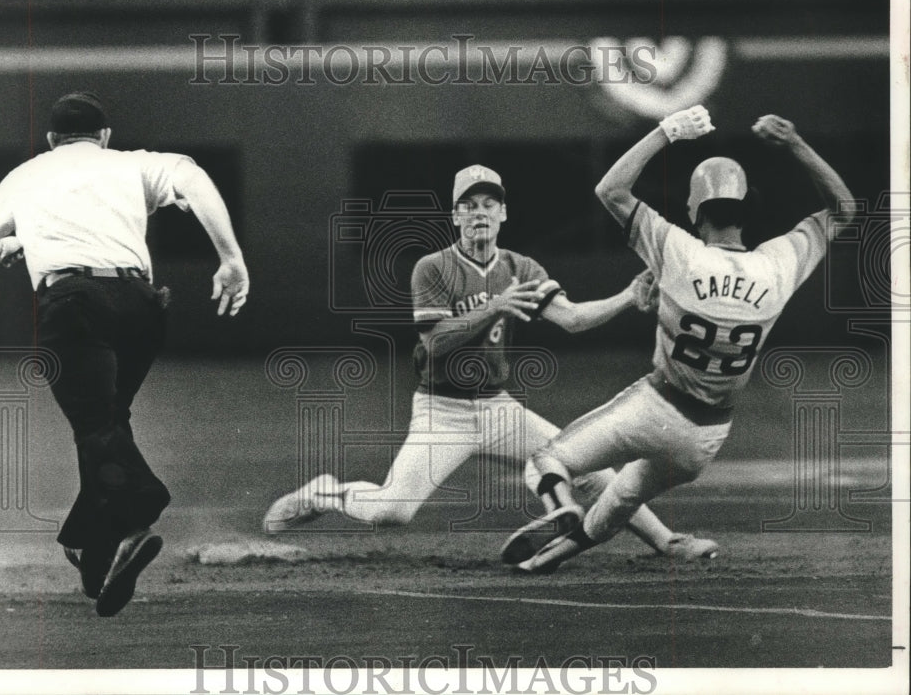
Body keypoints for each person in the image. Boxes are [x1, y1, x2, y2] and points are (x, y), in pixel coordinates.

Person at [264, 164, 718, 561]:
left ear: (503, 213)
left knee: (591, 471)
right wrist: (494, 307)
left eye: (489, 204)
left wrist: (627, 297)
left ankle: (668, 541)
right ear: (455, 216)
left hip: (499, 409)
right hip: (442, 412)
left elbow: (573, 319)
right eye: (469, 205)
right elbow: (435, 343)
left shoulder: (521, 268)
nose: (479, 212)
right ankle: (326, 493)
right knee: (393, 511)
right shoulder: (433, 267)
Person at [501, 107, 856, 574]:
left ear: (694, 210)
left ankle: (562, 507)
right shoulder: (779, 264)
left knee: (546, 460)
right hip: (706, 438)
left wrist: (666, 132)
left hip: (656, 408)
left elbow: (610, 189)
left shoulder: (677, 251)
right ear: (748, 208)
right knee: (622, 498)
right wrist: (795, 143)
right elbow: (844, 209)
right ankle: (547, 559)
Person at [0, 91, 249, 616]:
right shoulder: (133, 164)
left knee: (95, 427)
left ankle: (137, 518)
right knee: (108, 423)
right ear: (105, 136)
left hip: (73, 303)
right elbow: (195, 180)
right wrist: (230, 259)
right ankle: (90, 546)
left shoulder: (27, 175)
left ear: (51, 139)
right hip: (141, 304)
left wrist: (3, 245)